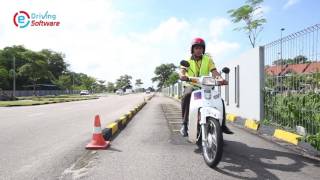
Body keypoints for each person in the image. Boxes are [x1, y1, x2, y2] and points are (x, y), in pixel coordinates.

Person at [179, 37, 233, 136]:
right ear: (192, 49)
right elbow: (182, 71)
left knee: (219, 100)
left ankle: (223, 125)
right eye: (196, 48)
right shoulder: (188, 61)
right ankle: (184, 123)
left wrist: (221, 79)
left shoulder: (208, 60)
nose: (199, 50)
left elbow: (214, 72)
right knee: (187, 94)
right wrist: (183, 76)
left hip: (205, 86)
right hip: (191, 84)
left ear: (203, 49)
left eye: (201, 48)